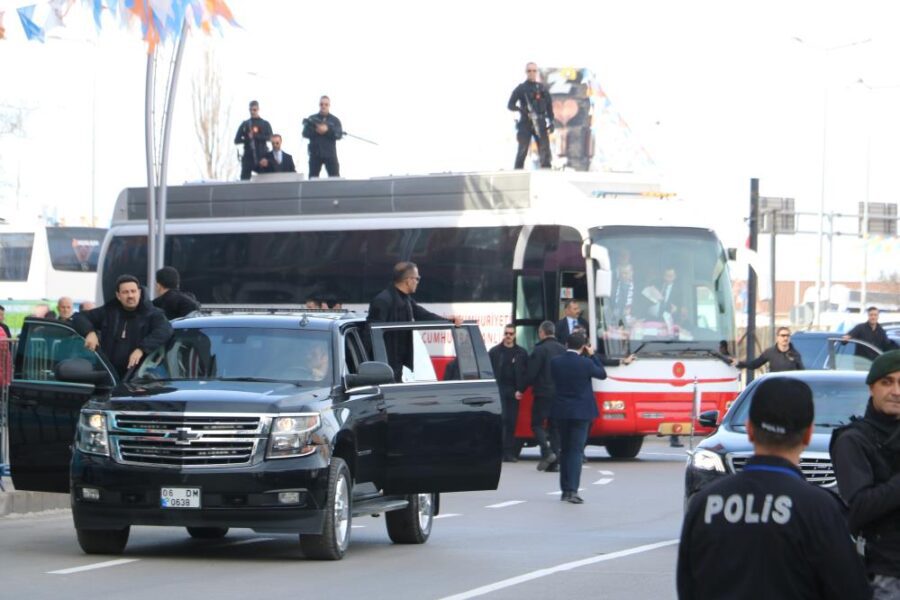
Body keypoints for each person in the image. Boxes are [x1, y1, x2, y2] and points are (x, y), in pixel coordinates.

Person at [677, 377, 870, 599]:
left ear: (750, 429)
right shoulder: (822, 509)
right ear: (808, 434)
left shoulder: (704, 505)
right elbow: (850, 590)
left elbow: (688, 587)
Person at [831, 350, 900, 598]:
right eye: (887, 382)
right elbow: (859, 507)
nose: (896, 391)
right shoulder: (853, 440)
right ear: (872, 387)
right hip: (886, 571)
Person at [367, 261, 462, 382]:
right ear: (408, 280)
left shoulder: (406, 299)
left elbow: (423, 315)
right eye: (417, 278)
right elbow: (371, 336)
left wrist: (448, 321)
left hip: (396, 366)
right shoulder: (383, 301)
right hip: (384, 368)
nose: (417, 282)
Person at [72, 274, 173, 377]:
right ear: (118, 295)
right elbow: (79, 317)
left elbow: (165, 330)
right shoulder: (109, 312)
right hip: (109, 376)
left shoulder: (152, 314)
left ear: (139, 292)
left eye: (133, 291)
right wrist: (89, 332)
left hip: (139, 377)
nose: (130, 296)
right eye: (125, 292)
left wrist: (142, 349)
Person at [551, 332, 607, 503]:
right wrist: (593, 355)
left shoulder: (555, 362)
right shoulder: (586, 363)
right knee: (576, 451)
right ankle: (572, 491)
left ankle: (564, 491)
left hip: (561, 411)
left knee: (565, 450)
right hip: (581, 412)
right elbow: (602, 374)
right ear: (583, 347)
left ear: (566, 344)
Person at [524, 320, 567, 471]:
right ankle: (555, 463)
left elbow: (531, 373)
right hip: (560, 394)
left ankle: (547, 452)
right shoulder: (563, 349)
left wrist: (521, 388)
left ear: (542, 333)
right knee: (554, 427)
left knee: (536, 424)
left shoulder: (540, 350)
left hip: (543, 393)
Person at [489, 324, 529, 462]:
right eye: (506, 333)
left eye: (511, 334)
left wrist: (521, 389)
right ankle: (499, 452)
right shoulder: (494, 352)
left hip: (513, 391)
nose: (508, 336)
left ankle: (509, 453)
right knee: (502, 421)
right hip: (499, 389)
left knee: (512, 421)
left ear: (515, 335)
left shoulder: (521, 353)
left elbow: (526, 373)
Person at [508, 62, 554, 169]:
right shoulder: (521, 88)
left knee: (545, 152)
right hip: (525, 123)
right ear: (526, 72)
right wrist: (521, 110)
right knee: (522, 150)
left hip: (540, 123)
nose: (532, 73)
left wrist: (551, 122)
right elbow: (510, 105)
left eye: (534, 71)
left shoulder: (542, 88)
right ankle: (518, 173)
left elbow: (549, 107)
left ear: (536, 72)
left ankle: (547, 173)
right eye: (529, 71)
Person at [731, 327, 804, 373]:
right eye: (783, 335)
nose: (785, 338)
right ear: (777, 337)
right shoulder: (770, 352)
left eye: (788, 336)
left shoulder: (795, 354)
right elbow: (754, 364)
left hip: (790, 388)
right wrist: (739, 363)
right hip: (774, 386)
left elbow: (802, 373)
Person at [302, 95, 343, 178]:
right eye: (321, 104)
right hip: (315, 154)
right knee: (312, 179)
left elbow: (339, 135)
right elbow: (305, 133)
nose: (323, 106)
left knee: (335, 179)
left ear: (329, 105)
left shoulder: (335, 120)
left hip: (330, 154)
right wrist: (316, 130)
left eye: (326, 104)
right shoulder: (312, 118)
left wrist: (327, 131)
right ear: (319, 105)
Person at [234, 100, 273, 181]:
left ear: (258, 109)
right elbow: (236, 140)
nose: (252, 112)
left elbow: (270, 138)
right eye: (250, 110)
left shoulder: (265, 123)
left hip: (262, 156)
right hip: (248, 157)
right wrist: (247, 139)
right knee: (244, 180)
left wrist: (256, 136)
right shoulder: (245, 124)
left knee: (265, 180)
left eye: (254, 110)